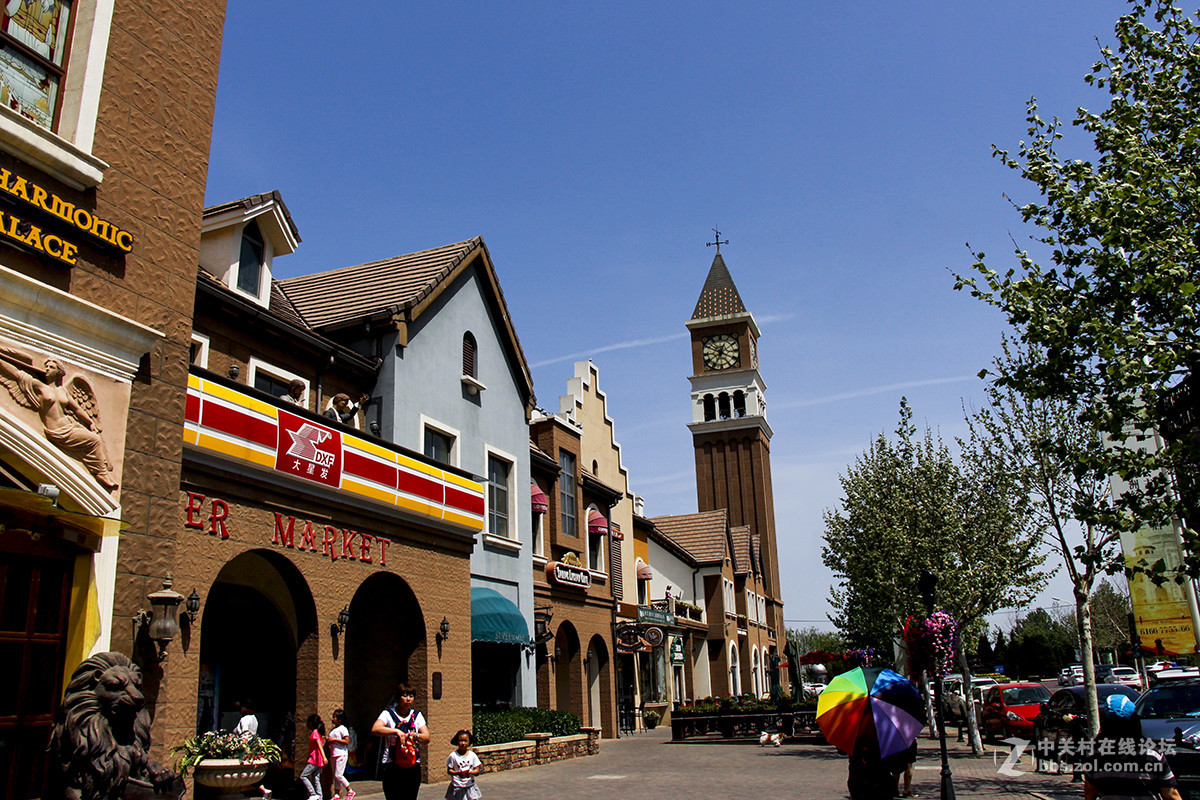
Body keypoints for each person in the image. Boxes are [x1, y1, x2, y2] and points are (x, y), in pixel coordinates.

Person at [1083, 694, 1181, 800]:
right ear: (1135, 721)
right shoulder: (1151, 754)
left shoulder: (1095, 755)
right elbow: (1170, 794)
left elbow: (1090, 791)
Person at [371, 683, 430, 800]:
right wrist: (396, 731)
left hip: (412, 763)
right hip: (392, 763)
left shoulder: (416, 716)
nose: (408, 699)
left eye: (411, 696)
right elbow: (375, 729)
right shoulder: (388, 714)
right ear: (398, 697)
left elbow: (427, 737)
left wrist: (415, 735)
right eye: (405, 695)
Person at [444, 729, 481, 800]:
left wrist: (471, 772)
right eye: (461, 741)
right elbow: (449, 770)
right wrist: (458, 773)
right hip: (457, 785)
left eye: (465, 741)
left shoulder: (472, 755)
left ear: (469, 742)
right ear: (457, 742)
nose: (463, 743)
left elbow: (477, 770)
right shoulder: (453, 756)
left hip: (470, 785)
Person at [328, 708, 355, 800]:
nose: (332, 719)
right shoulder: (333, 729)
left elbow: (346, 741)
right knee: (335, 775)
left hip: (341, 754)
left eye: (334, 717)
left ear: (340, 719)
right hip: (333, 754)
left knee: (338, 775)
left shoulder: (343, 729)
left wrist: (334, 740)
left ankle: (350, 790)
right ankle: (336, 794)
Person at [301, 714, 327, 800]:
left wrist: (324, 757)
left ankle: (313, 794)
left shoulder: (315, 733)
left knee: (303, 776)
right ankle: (320, 796)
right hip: (318, 760)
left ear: (311, 723)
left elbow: (319, 745)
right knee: (316, 778)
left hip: (314, 760)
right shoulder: (317, 732)